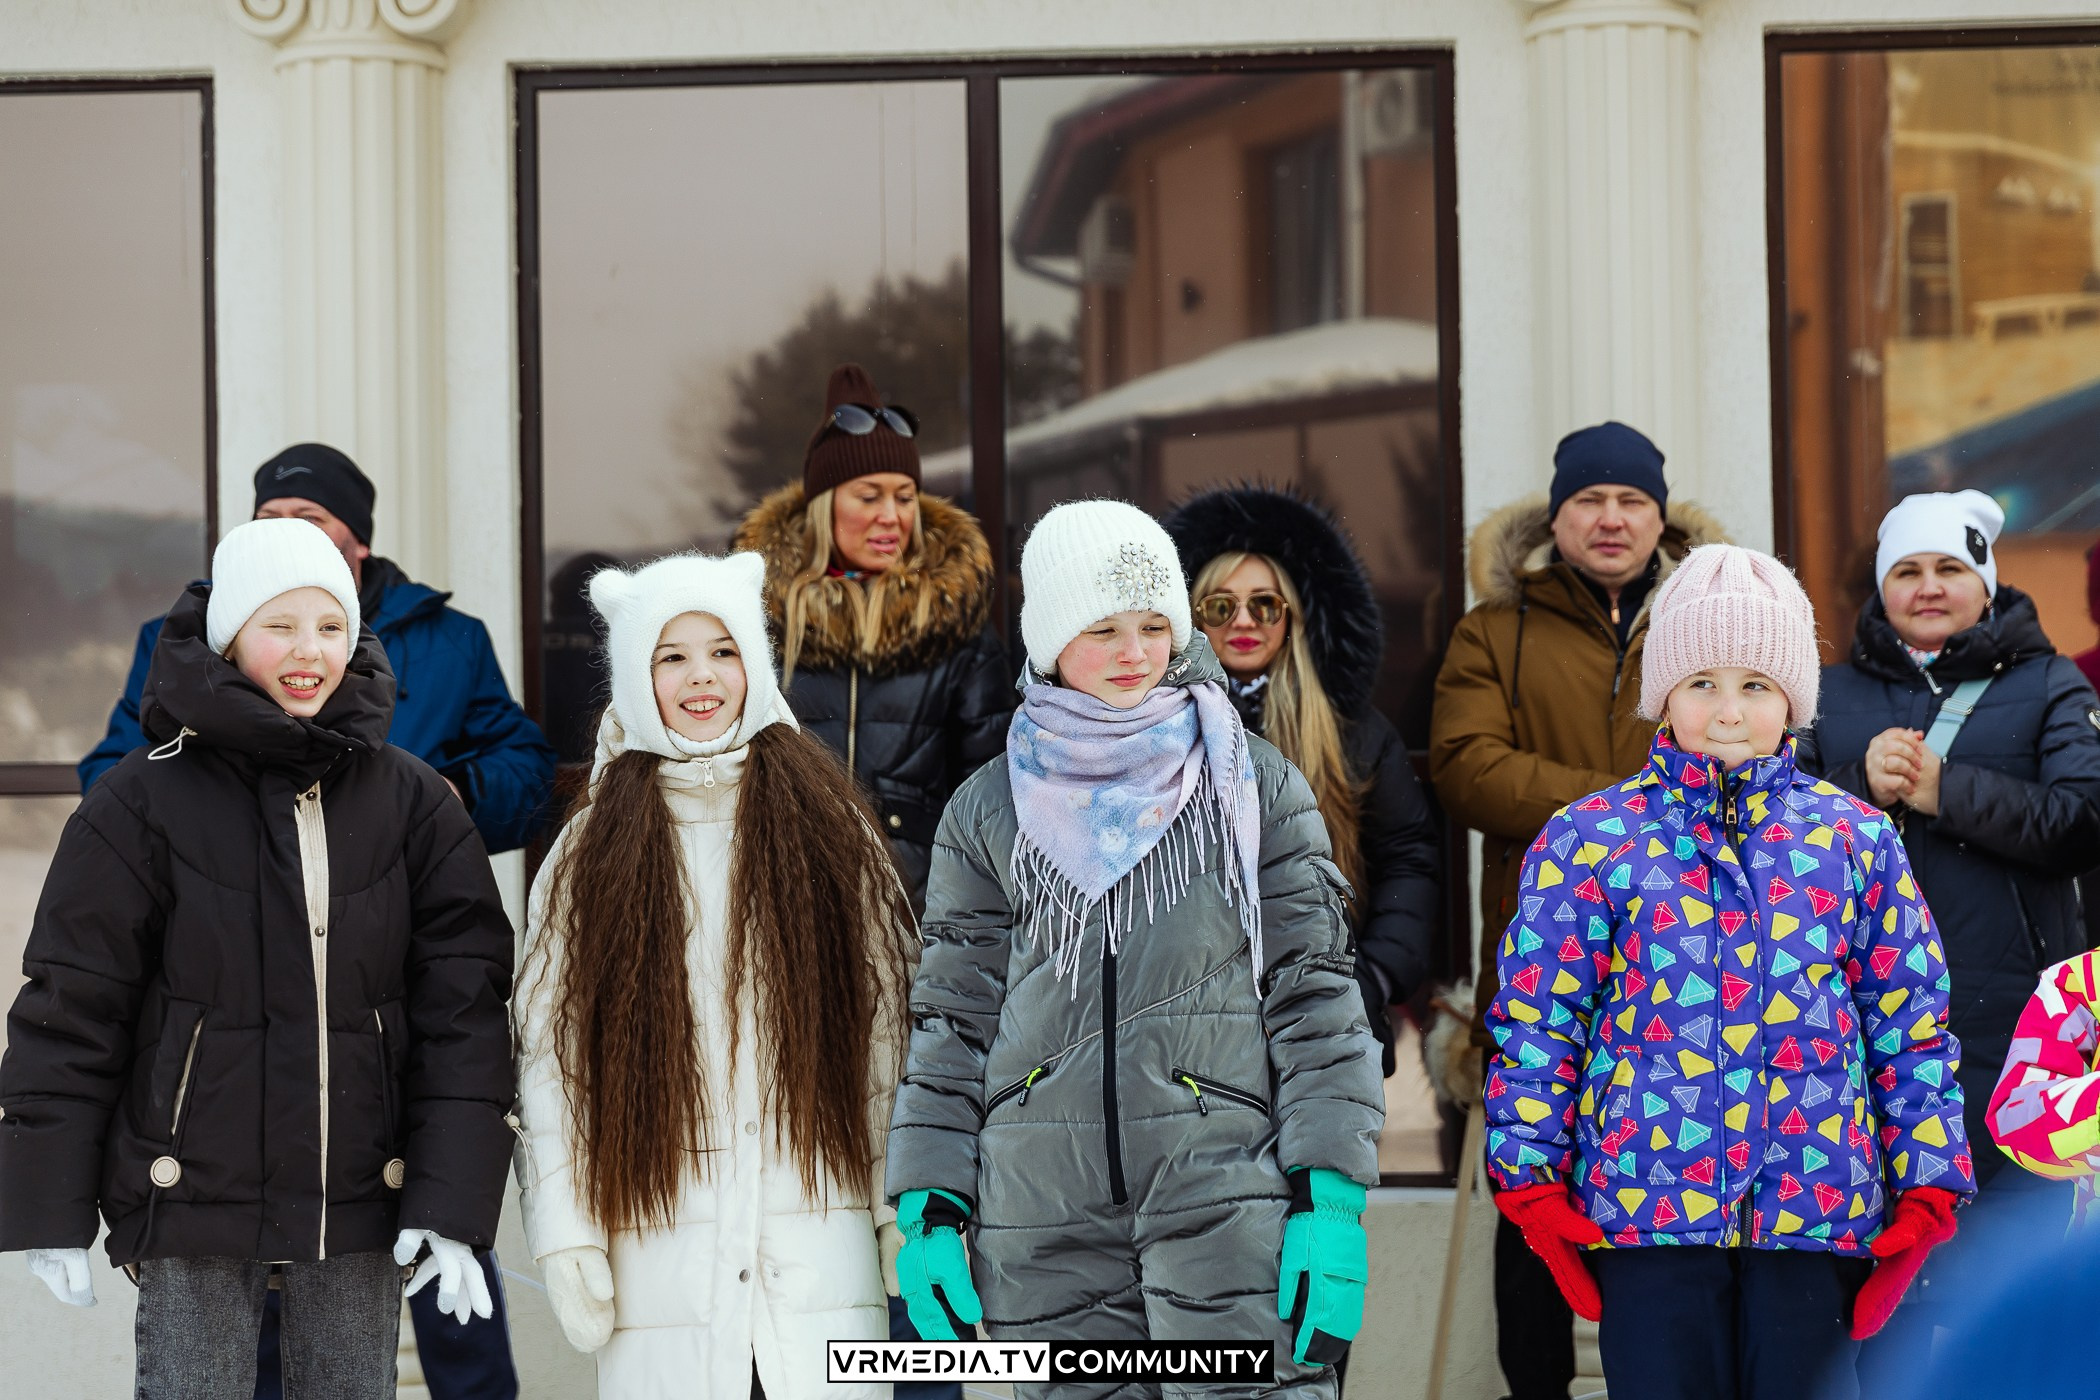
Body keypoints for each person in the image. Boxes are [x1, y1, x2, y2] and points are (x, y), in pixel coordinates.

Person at [0, 518, 516, 1398]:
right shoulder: (141, 800)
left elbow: (464, 1013)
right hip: (187, 1200)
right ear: (231, 636)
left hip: (357, 1202)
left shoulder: (415, 803)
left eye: (329, 626)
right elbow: (73, 1007)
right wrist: (45, 1201)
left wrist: (452, 1203)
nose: (308, 650)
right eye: (279, 625)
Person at [885, 500, 1385, 1399]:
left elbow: (1314, 992)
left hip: (1226, 1191)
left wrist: (1332, 1190)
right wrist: (929, 1202)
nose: (1135, 652)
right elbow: (953, 1016)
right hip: (1041, 1215)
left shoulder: (1251, 783)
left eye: (1155, 626)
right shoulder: (987, 810)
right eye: (1103, 628)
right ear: (1047, 638)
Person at [1485, 543, 1974, 1400]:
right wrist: (1528, 1175)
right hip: (1650, 1211)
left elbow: (1908, 1020)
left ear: (1792, 698)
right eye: (1700, 682)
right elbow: (1540, 1018)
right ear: (1661, 694)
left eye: (1755, 685)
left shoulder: (1853, 837)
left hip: (1816, 1207)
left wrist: (1927, 1183)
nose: (1726, 711)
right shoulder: (1591, 839)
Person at [512, 551, 913, 1399]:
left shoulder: (830, 824)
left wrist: (894, 1205)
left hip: (817, 1243)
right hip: (662, 1253)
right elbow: (555, 1055)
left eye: (723, 651)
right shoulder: (592, 848)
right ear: (635, 675)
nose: (702, 677)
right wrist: (568, 1229)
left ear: (755, 666)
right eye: (672, 656)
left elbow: (886, 1029)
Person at [1428, 421, 1726, 1400]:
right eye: (1589, 500)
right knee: (1533, 1216)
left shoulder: (1706, 625)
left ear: (1660, 516)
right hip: (1541, 973)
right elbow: (1469, 768)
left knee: (1666, 1210)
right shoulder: (1494, 630)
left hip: (1685, 975)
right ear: (1555, 516)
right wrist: (1620, 803)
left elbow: (1741, 757)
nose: (1610, 518)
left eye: (1631, 500)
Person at [1797, 490, 2100, 1386]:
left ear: (1985, 581)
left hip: (2017, 1036)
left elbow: (2084, 821)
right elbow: (1781, 843)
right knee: (1882, 1282)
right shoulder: (1827, 692)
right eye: (1908, 571)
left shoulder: (2053, 685)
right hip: (1862, 1030)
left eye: (1949, 570)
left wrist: (1944, 791)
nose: (1929, 588)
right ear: (1881, 586)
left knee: (2011, 1268)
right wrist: (1858, 785)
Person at [82, 442, 557, 858]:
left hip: (392, 903)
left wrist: (451, 795)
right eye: (268, 519)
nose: (288, 533)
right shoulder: (186, 636)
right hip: (225, 904)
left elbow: (527, 774)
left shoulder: (453, 640)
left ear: (361, 541)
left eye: (311, 518)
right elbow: (114, 774)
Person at [1163, 483, 1442, 1077]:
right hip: (1182, 1032)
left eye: (1265, 605)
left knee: (1321, 1168)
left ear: (1291, 616)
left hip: (1325, 1024)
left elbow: (1408, 860)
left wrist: (1375, 974)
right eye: (1220, 605)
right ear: (1191, 616)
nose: (1244, 621)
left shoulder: (1353, 734)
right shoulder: (1149, 730)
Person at [732, 364, 1011, 906]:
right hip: (782, 915)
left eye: (905, 497)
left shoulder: (959, 631)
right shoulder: (756, 622)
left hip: (917, 922)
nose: (891, 517)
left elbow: (993, 808)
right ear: (824, 506)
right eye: (868, 495)